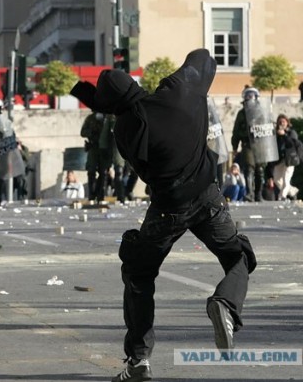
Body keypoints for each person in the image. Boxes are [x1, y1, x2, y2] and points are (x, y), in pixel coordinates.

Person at [71, 49, 256, 382]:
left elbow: (126, 113)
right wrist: (172, 79)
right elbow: (202, 58)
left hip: (167, 208)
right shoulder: (179, 92)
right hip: (208, 197)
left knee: (139, 276)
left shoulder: (125, 131)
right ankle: (226, 304)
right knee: (238, 257)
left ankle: (139, 360)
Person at [231, 87, 266, 202]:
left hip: (260, 143)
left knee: (260, 170)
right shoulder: (242, 113)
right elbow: (236, 130)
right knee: (249, 168)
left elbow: (268, 127)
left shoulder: (262, 111)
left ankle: (258, 194)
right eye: (248, 96)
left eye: (252, 96)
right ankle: (250, 194)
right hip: (247, 143)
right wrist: (235, 146)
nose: (250, 98)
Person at [268, 114, 300, 200]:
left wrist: (284, 135)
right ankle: (292, 191)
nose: (282, 123)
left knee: (286, 179)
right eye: (280, 122)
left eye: (283, 122)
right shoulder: (275, 134)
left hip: (289, 159)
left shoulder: (291, 132)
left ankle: (282, 196)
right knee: (277, 179)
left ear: (287, 123)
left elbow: (292, 144)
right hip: (279, 160)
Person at [80, 110, 108, 202]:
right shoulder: (90, 118)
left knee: (103, 172)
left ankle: (100, 194)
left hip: (104, 148)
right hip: (93, 147)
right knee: (91, 171)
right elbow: (83, 132)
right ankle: (91, 194)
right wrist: (92, 131)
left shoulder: (107, 118)